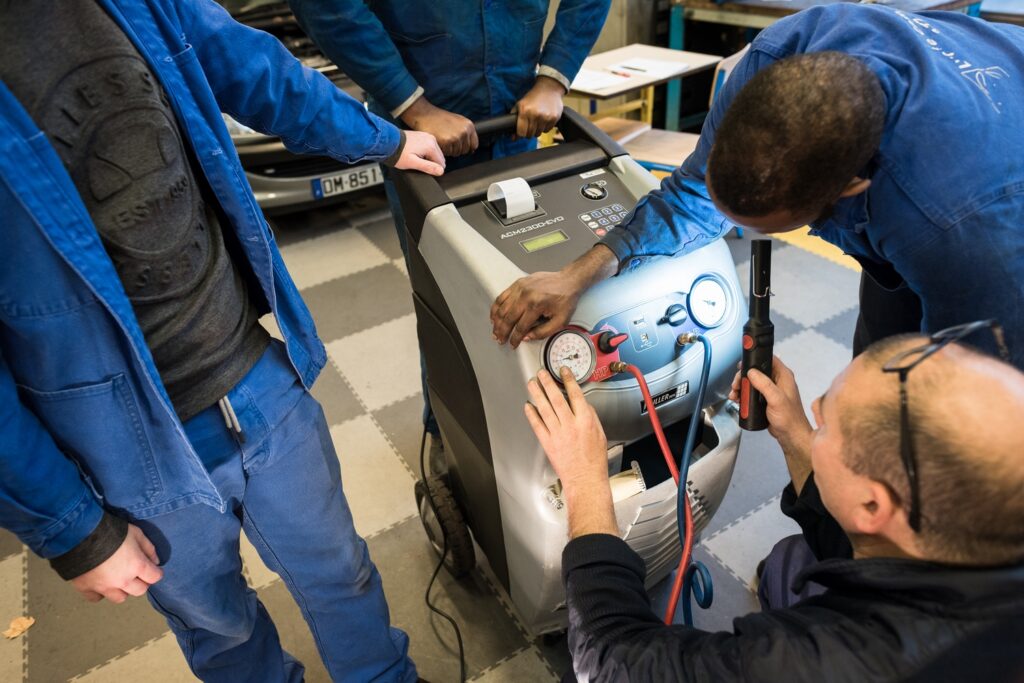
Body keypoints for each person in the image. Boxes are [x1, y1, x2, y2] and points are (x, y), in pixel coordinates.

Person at [0, 2, 444, 681]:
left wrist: (381, 139)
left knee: (343, 573)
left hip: (257, 375)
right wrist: (74, 529)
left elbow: (250, 64)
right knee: (222, 632)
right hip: (128, 449)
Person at [490, 4, 1024, 370]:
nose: (730, 230)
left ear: (849, 189)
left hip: (994, 188)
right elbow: (691, 200)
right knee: (880, 362)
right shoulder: (776, 57)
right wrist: (576, 275)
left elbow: (984, 408)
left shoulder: (963, 236)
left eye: (755, 227)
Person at [524, 324, 1024, 682]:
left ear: (873, 508)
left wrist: (585, 478)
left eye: (825, 424)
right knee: (792, 562)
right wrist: (797, 436)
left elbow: (610, 660)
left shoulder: (815, 661)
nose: (812, 415)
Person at [289, 0, 611, 457]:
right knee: (447, 300)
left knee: (537, 290)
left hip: (518, 120)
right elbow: (328, 7)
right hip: (422, 139)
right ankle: (448, 438)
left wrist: (553, 77)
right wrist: (415, 106)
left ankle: (540, 431)